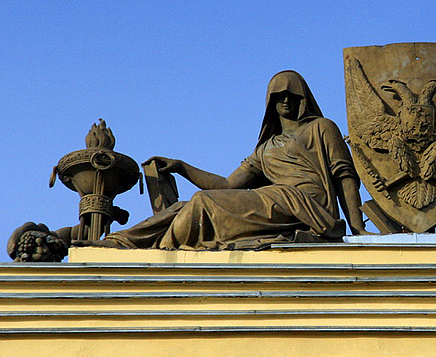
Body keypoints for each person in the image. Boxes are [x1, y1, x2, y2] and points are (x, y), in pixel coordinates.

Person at [74, 70, 370, 250]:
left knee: (203, 204)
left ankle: (155, 247)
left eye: (292, 95)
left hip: (306, 204)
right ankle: (118, 243)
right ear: (270, 103)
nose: (286, 101)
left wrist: (356, 229)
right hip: (275, 199)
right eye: (279, 96)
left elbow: (344, 176)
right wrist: (182, 167)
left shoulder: (322, 128)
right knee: (185, 206)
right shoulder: (264, 149)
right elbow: (229, 184)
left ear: (303, 98)